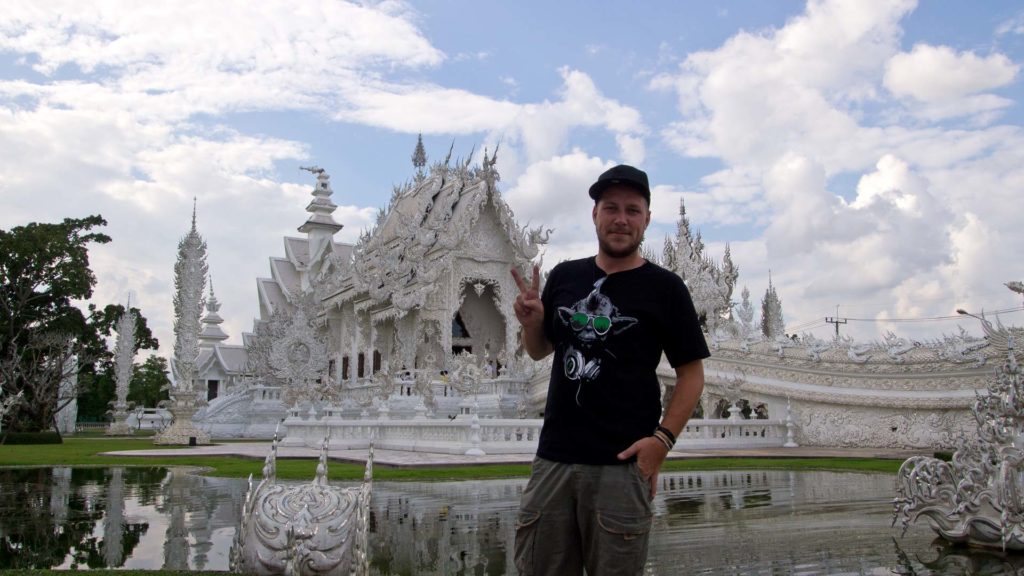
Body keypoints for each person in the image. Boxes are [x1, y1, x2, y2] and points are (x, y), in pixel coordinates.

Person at [510, 164, 709, 576]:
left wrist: (661, 442)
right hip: (554, 460)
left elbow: (691, 375)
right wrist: (531, 323)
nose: (621, 219)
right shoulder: (565, 276)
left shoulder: (667, 289)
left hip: (622, 466)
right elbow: (540, 350)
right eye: (611, 208)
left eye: (633, 210)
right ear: (595, 215)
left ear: (647, 219)